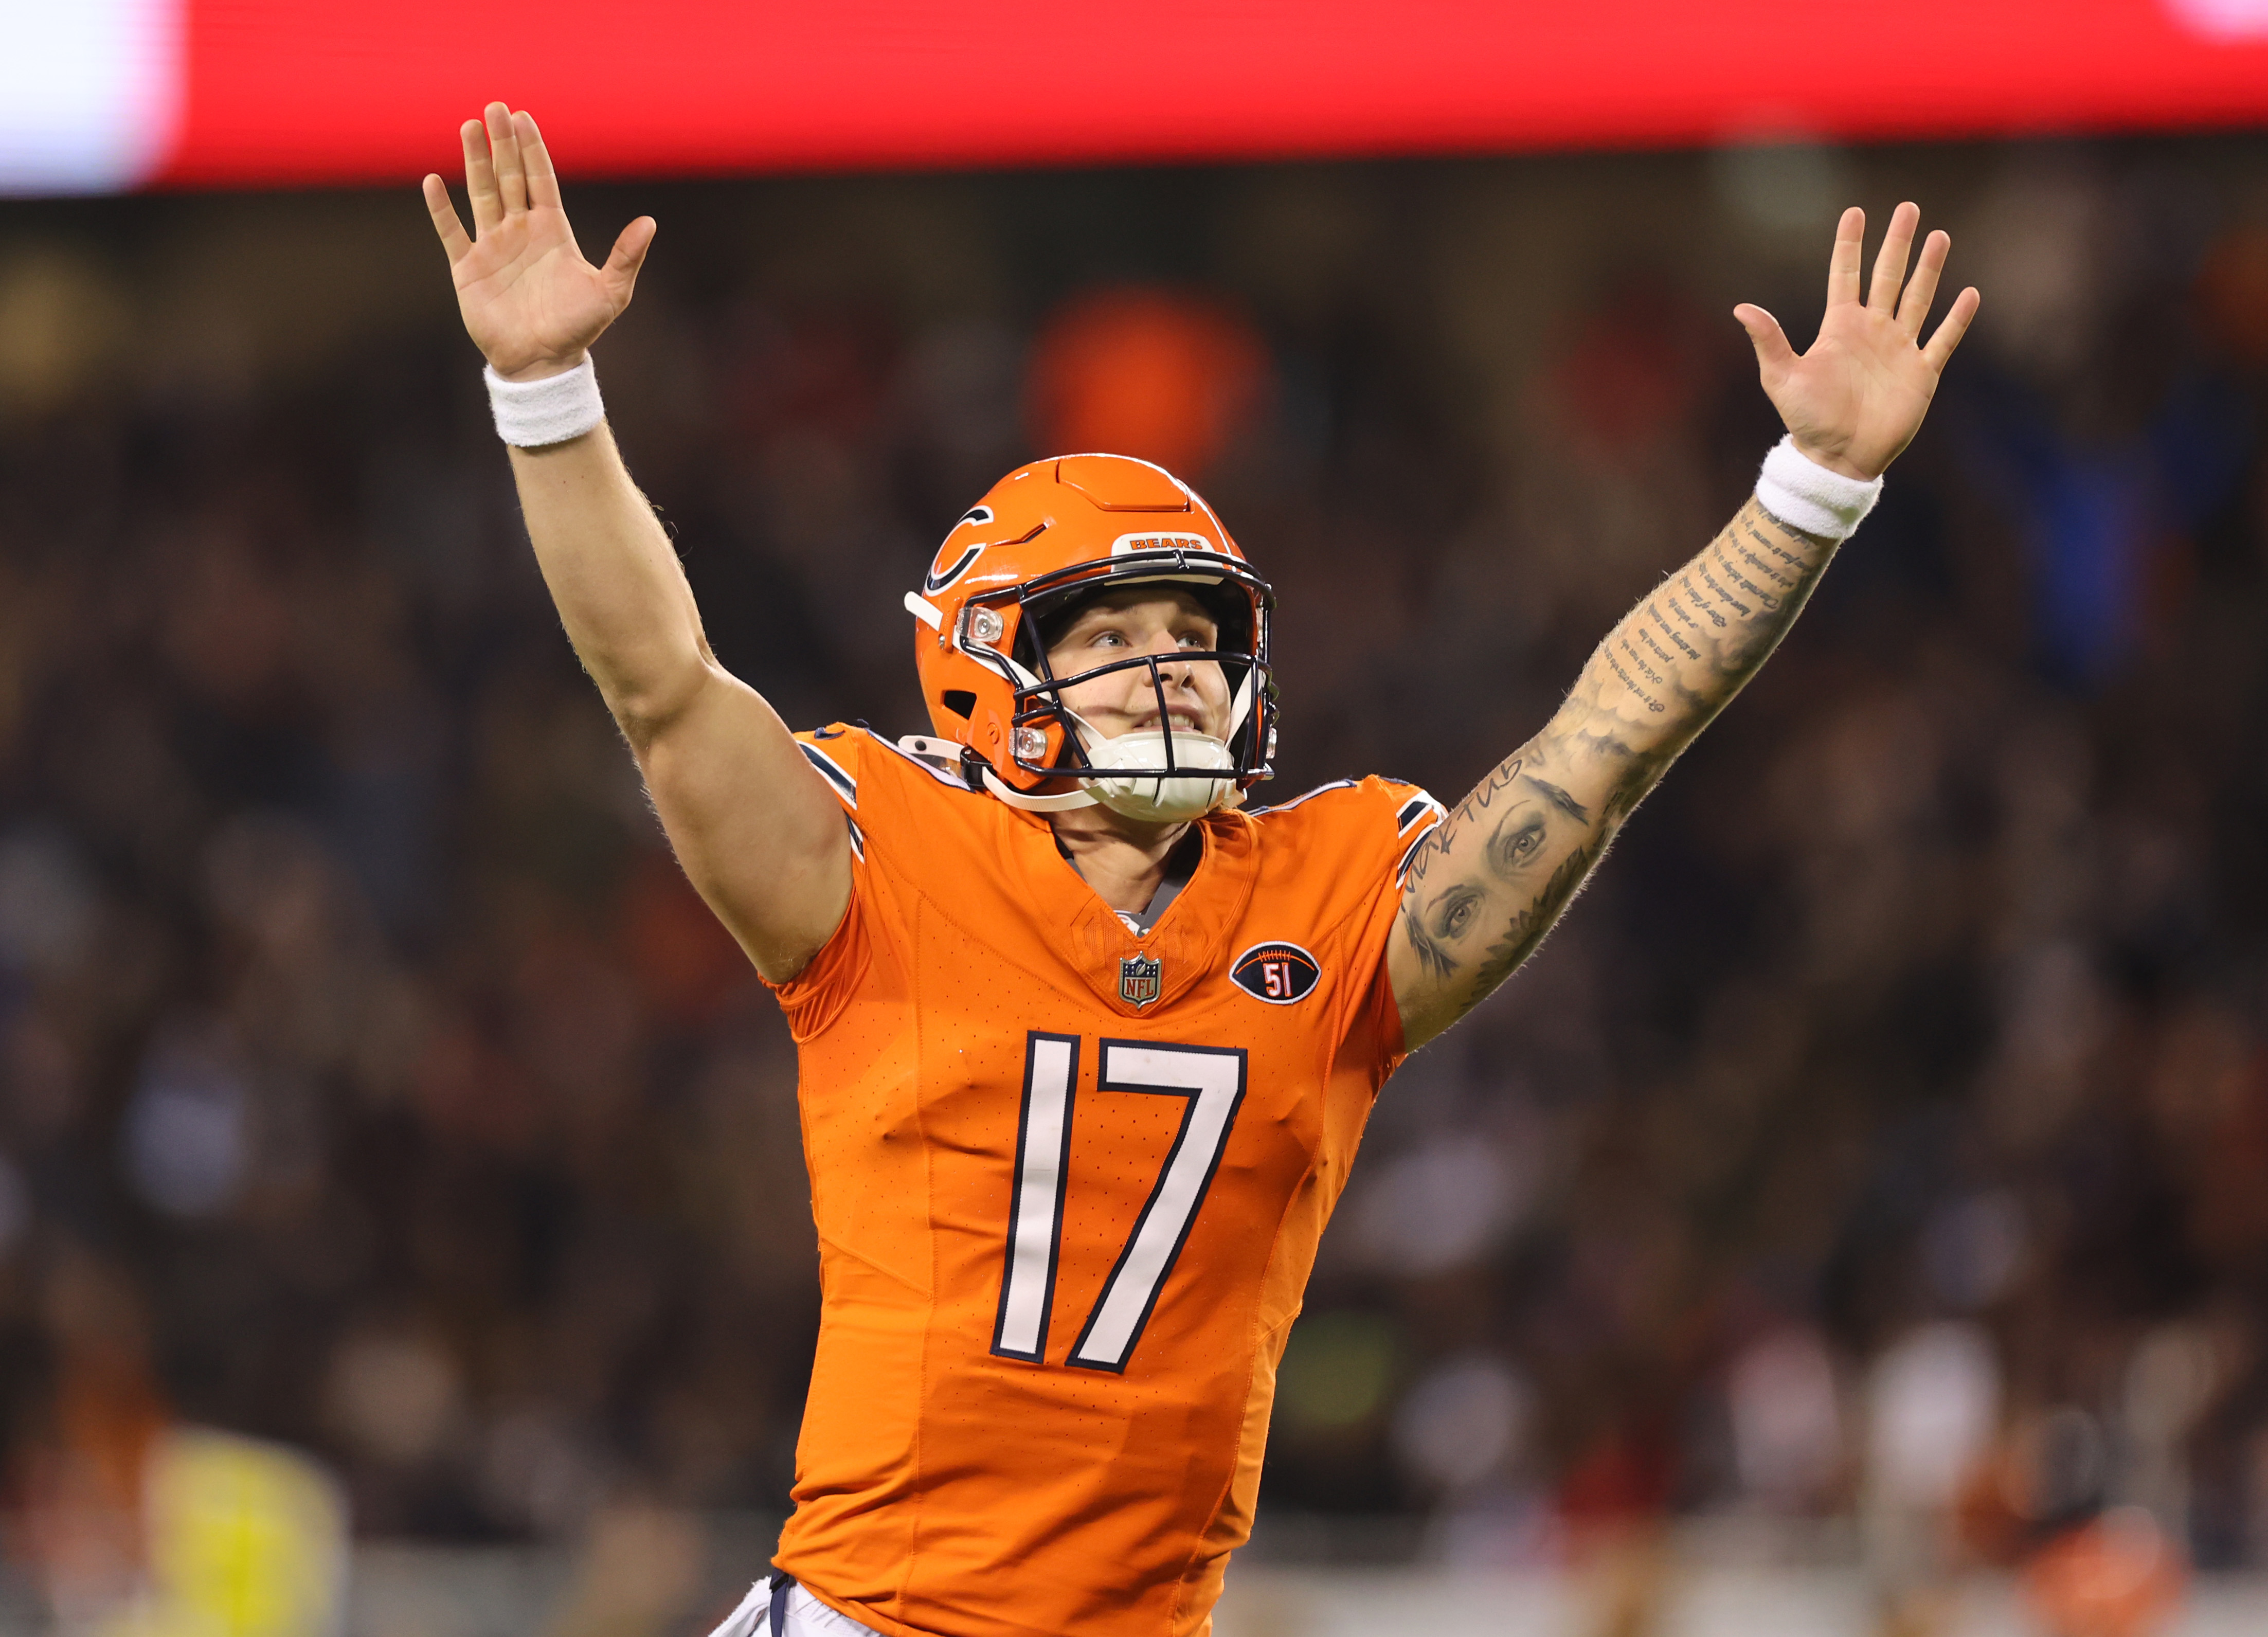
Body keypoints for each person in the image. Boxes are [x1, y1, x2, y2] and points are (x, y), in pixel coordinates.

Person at [423, 102, 1977, 1637]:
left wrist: (1808, 492)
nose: (1169, 674)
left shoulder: (1330, 890)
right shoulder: (875, 863)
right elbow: (662, 682)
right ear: (981, 671)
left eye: (1195, 638)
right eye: (1109, 638)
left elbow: (1601, 749)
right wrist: (545, 386)